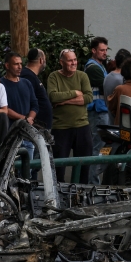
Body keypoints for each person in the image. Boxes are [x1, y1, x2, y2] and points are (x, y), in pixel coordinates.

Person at [47, 49, 94, 183]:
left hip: (82, 126)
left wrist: (65, 101)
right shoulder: (54, 77)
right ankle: (59, 197)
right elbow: (53, 96)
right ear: (61, 62)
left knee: (84, 166)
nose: (74, 63)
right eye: (70, 60)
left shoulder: (82, 76)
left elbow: (88, 98)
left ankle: (81, 197)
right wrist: (75, 92)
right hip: (61, 128)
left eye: (75, 60)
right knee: (59, 167)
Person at [0, 51, 39, 160]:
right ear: (7, 65)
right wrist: (24, 119)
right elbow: (4, 109)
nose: (20, 67)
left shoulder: (26, 83)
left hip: (27, 135)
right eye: (16, 64)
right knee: (10, 172)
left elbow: (35, 104)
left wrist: (30, 118)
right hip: (10, 136)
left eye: (21, 64)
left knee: (28, 172)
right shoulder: (1, 85)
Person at [84, 36, 111, 180]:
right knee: (97, 148)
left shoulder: (99, 66)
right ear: (93, 51)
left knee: (100, 148)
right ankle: (93, 182)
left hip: (100, 111)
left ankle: (94, 180)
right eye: (102, 50)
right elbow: (106, 86)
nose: (105, 53)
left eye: (106, 50)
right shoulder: (93, 68)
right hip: (97, 111)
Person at [22, 48, 53, 131]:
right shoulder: (27, 76)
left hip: (41, 126)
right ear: (41, 60)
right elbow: (28, 101)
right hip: (35, 127)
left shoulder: (31, 75)